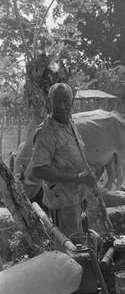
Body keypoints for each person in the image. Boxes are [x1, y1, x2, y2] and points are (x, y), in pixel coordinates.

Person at [30, 82, 95, 240]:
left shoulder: (70, 125)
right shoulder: (46, 132)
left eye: (66, 101)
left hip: (77, 196)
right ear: (49, 103)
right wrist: (77, 178)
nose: (61, 106)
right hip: (63, 201)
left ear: (72, 102)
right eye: (56, 101)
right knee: (70, 248)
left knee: (79, 243)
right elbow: (38, 170)